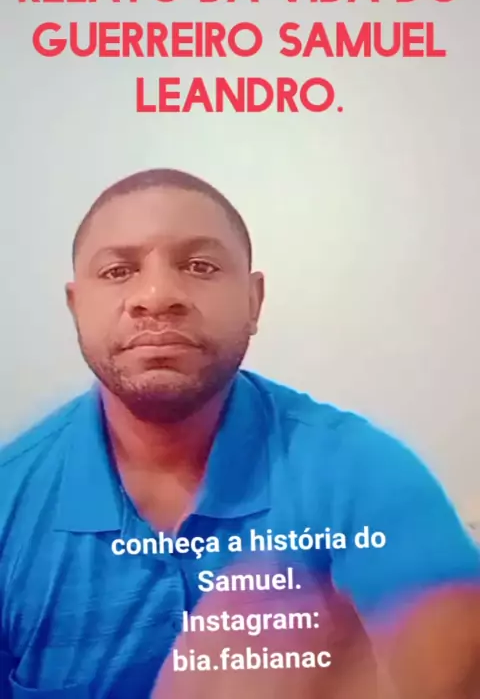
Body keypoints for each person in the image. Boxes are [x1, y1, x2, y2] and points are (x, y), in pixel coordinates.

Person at [0, 168, 479, 699]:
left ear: (254, 301)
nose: (156, 296)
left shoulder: (367, 475)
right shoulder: (9, 500)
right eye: (118, 271)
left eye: (199, 266)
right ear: (75, 306)